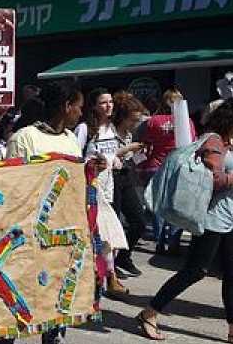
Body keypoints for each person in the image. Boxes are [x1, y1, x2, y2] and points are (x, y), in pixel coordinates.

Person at [136, 97, 233, 344]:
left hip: (226, 218)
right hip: (211, 219)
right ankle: (149, 313)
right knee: (195, 271)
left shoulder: (222, 142)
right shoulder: (213, 141)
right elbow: (214, 181)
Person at [0, 79, 89, 344]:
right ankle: (6, 340)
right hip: (27, 228)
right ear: (66, 106)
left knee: (60, 292)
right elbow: (13, 183)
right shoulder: (26, 138)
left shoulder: (72, 141)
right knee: (21, 289)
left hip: (62, 231)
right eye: (78, 105)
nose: (81, 112)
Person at [75, 88, 143, 279]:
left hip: (110, 183)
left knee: (115, 229)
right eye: (104, 102)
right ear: (94, 106)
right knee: (100, 233)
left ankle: (110, 271)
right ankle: (102, 274)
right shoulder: (85, 129)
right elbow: (76, 156)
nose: (109, 106)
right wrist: (119, 153)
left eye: (110, 102)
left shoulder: (112, 128)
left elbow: (112, 155)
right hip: (92, 186)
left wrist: (118, 159)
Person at [135, 89, 198, 256]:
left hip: (156, 165)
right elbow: (192, 144)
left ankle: (159, 241)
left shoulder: (154, 121)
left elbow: (147, 144)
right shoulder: (187, 121)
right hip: (178, 166)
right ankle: (173, 241)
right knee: (176, 206)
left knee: (159, 205)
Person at [110, 92, 149, 280]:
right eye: (132, 120)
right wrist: (128, 149)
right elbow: (107, 154)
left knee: (139, 221)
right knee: (114, 221)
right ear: (122, 118)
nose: (134, 124)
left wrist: (137, 154)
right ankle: (110, 265)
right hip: (111, 177)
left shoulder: (129, 134)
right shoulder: (109, 132)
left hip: (126, 175)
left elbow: (129, 157)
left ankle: (124, 256)